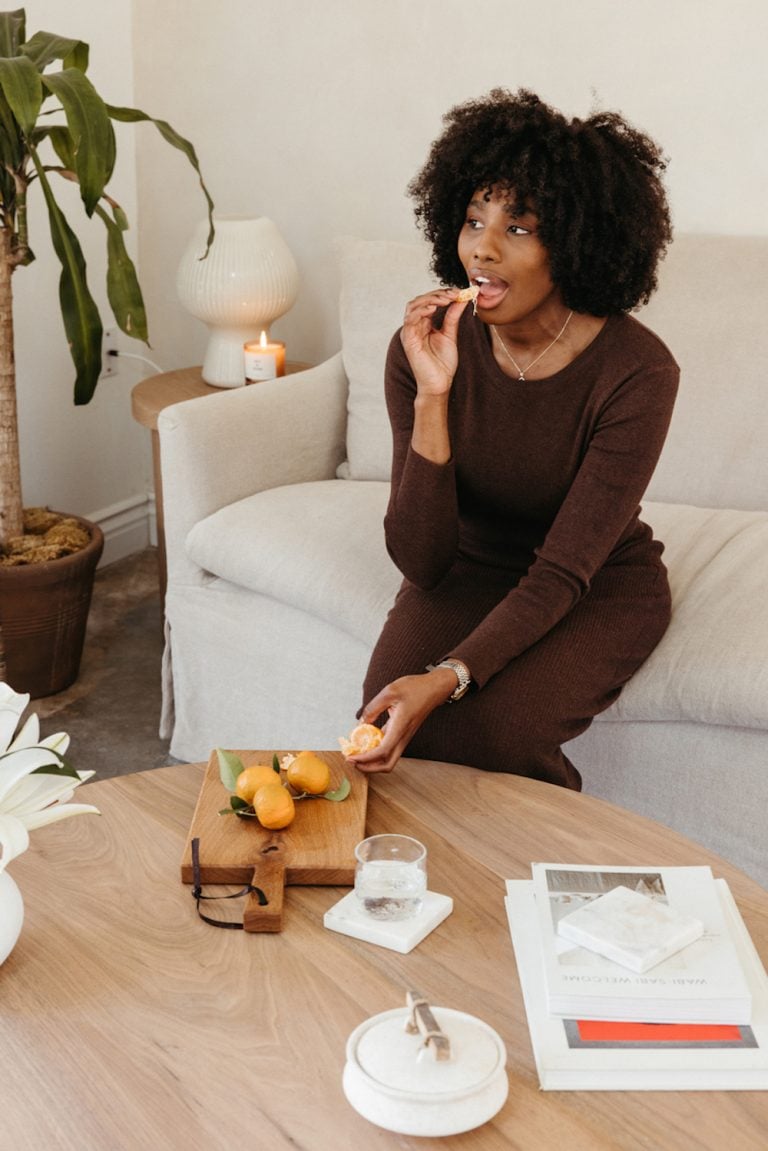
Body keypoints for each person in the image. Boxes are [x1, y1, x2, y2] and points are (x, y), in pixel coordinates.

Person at [346, 88, 678, 788]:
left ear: (579, 243)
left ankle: (542, 885)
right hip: (467, 568)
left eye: (520, 228)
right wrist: (435, 394)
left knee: (498, 730)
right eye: (473, 220)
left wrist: (446, 677)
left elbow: (561, 572)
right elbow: (421, 559)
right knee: (383, 725)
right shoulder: (423, 348)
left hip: (594, 585)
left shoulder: (638, 372)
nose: (483, 249)